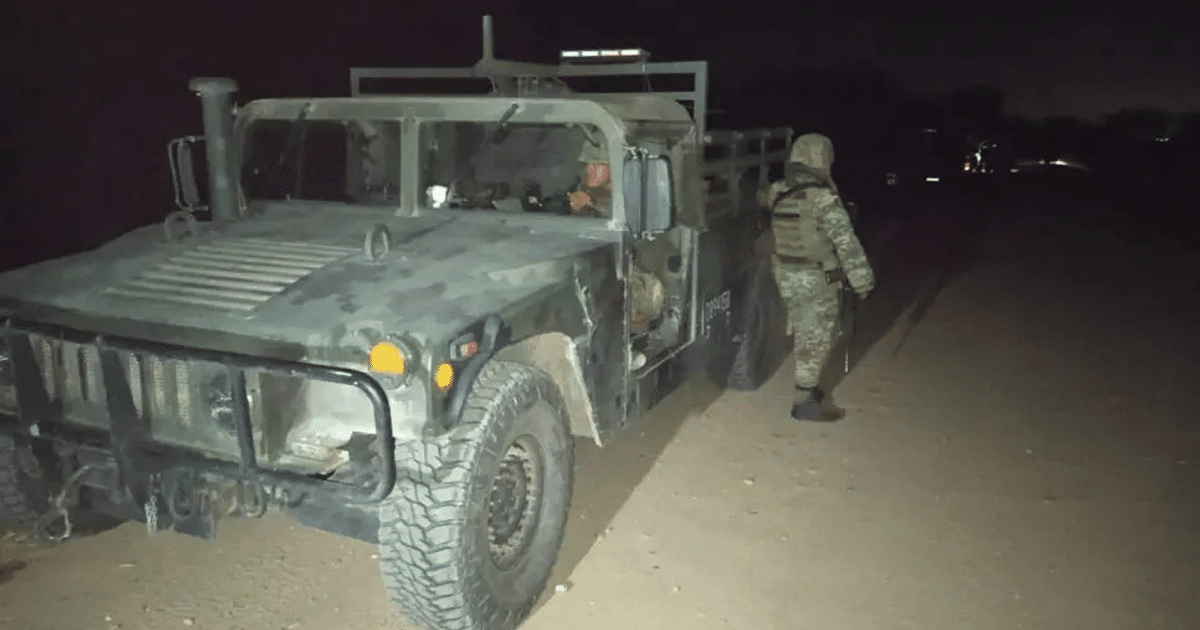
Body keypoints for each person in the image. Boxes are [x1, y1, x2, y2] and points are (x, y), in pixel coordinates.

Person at [758, 133, 875, 422]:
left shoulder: (779, 190)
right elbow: (847, 244)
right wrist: (863, 282)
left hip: (786, 273)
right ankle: (803, 401)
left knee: (808, 330)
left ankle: (809, 389)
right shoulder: (823, 198)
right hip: (814, 277)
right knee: (816, 336)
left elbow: (761, 196)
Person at [568, 141, 612, 217]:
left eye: (595, 165)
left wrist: (595, 205)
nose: (587, 169)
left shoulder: (622, 198)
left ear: (611, 170)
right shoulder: (576, 195)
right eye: (585, 165)